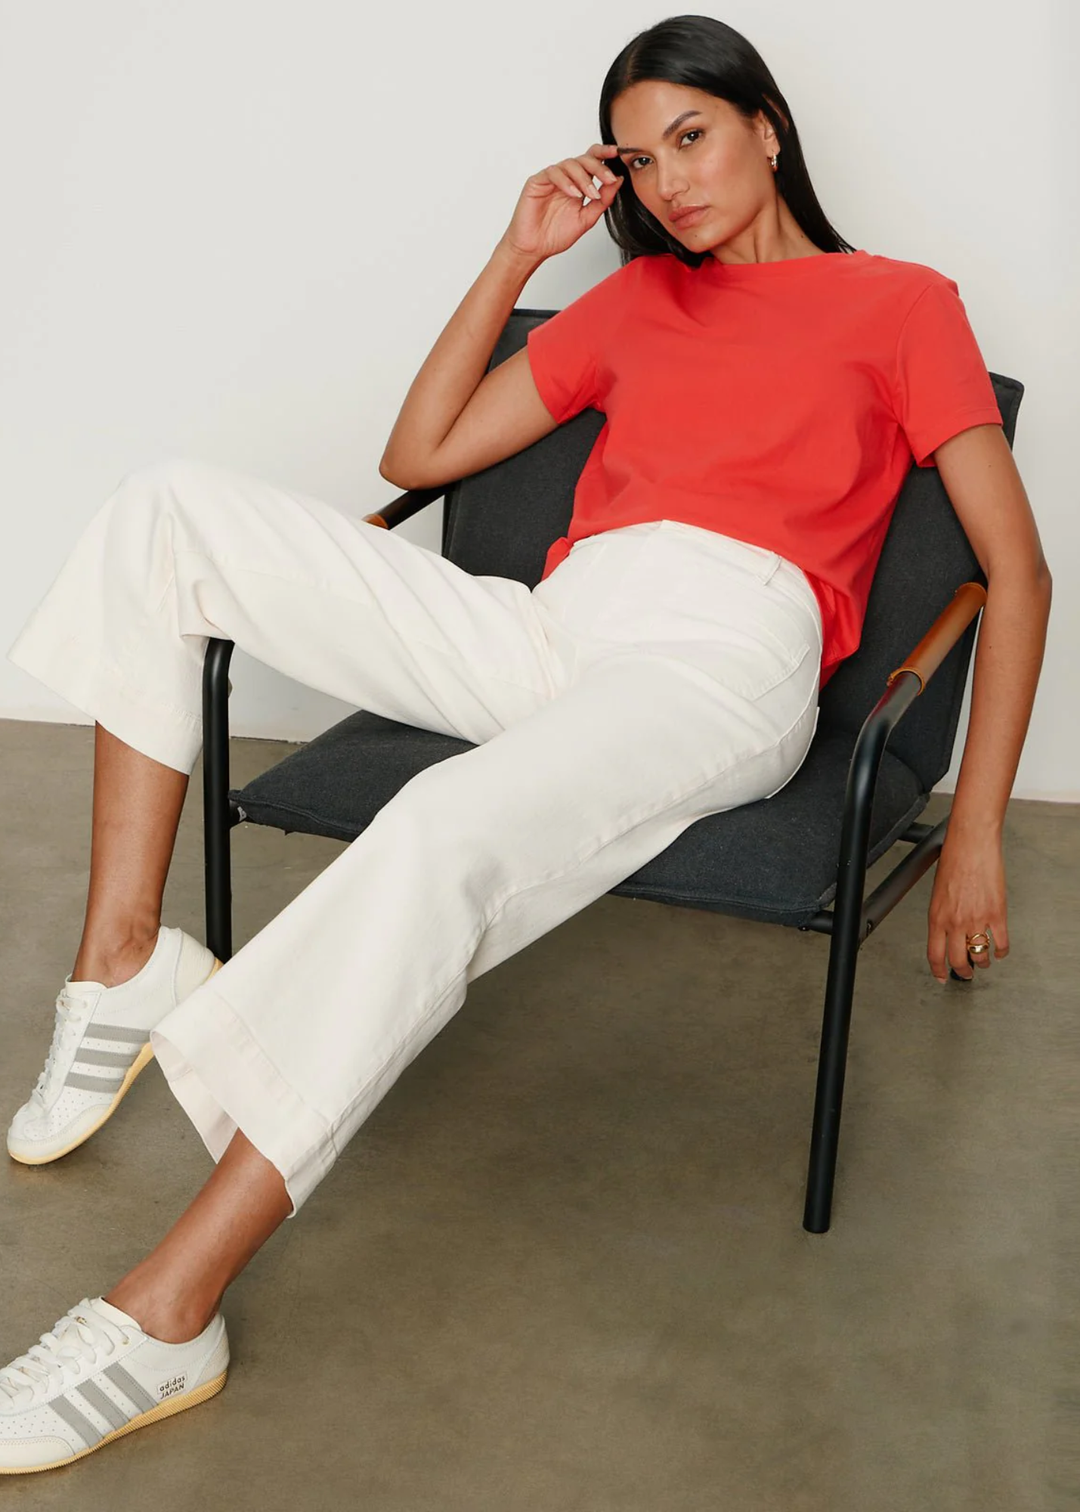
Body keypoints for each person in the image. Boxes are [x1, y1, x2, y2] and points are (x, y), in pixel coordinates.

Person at [0, 14, 1051, 1475]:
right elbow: (415, 459)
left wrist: (980, 835)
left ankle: (168, 1307)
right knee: (172, 506)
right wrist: (518, 260)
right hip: (555, 627)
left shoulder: (899, 303)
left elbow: (1018, 566)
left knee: (440, 831)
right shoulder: (632, 309)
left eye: (694, 135)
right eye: (642, 154)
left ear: (769, 128)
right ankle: (124, 960)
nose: (671, 180)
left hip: (720, 661)